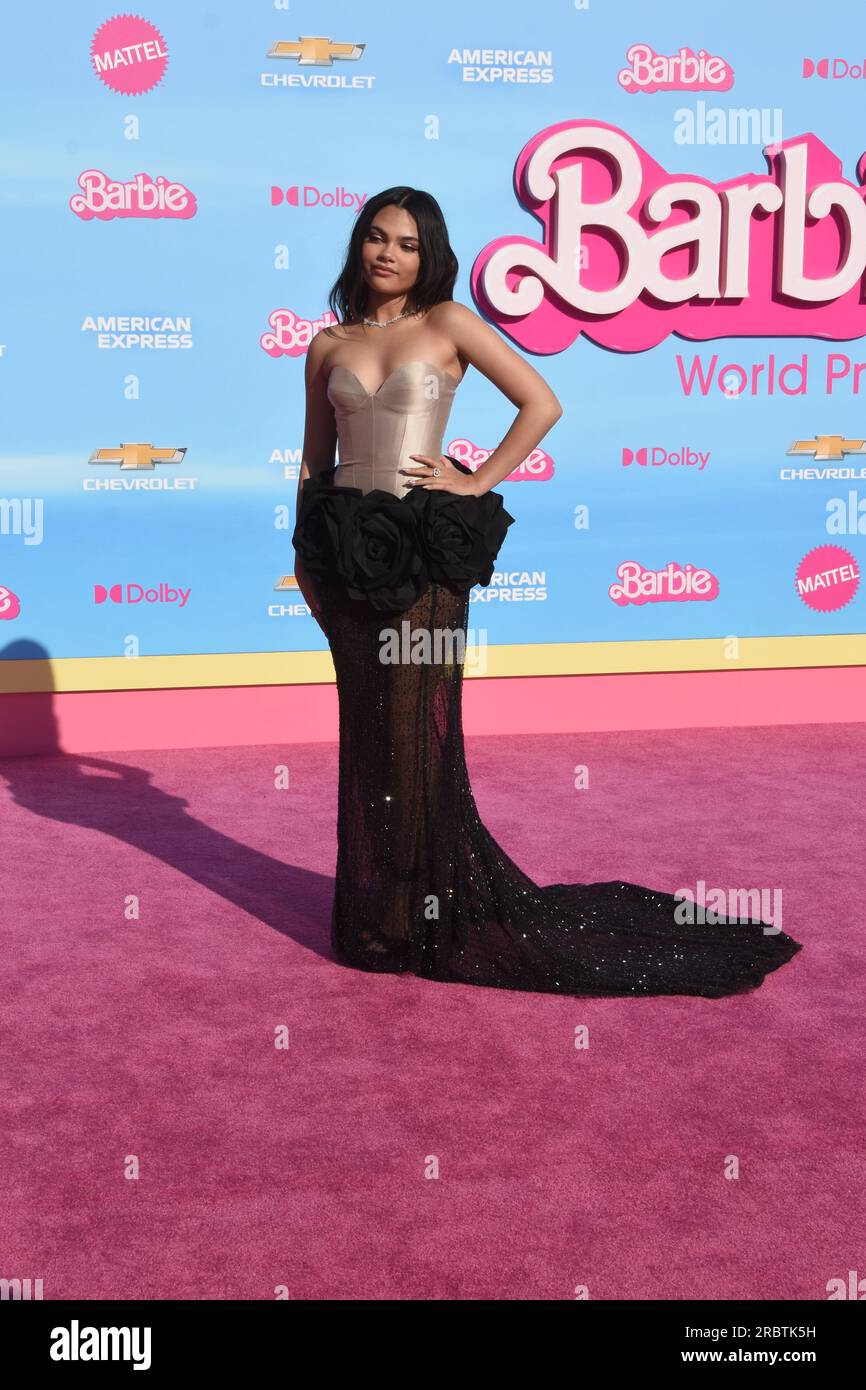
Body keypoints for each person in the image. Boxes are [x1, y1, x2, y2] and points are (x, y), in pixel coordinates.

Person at [292, 186, 803, 998]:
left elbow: (543, 402)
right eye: (378, 238)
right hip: (347, 556)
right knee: (367, 734)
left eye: (409, 244)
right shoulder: (325, 346)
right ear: (359, 245)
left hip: (423, 556)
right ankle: (378, 915)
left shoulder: (450, 325)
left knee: (417, 737)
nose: (389, 254)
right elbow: (314, 466)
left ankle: (429, 915)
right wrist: (307, 564)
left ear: (431, 256)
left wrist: (475, 481)